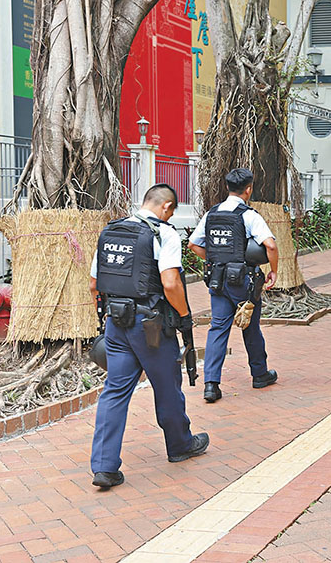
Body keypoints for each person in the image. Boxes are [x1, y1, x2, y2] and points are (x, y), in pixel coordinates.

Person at [89, 184, 208, 489]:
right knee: (167, 385)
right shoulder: (163, 233)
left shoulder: (111, 232)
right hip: (150, 325)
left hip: (116, 322)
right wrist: (184, 316)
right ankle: (180, 445)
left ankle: (104, 467)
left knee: (115, 390)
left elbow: (94, 284)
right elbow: (170, 283)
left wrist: (105, 319)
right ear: (167, 208)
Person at [189, 168, 280, 403]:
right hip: (244, 281)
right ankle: (259, 374)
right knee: (250, 326)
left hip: (217, 280)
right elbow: (270, 245)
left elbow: (193, 244)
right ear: (248, 190)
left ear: (227, 188)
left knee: (218, 328)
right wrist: (274, 271)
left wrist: (215, 259)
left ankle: (211, 385)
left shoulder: (212, 214)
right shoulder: (248, 215)